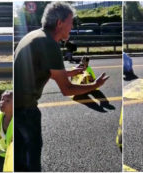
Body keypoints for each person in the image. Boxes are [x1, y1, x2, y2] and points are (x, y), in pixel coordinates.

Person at [14, 2, 109, 171]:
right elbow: (67, 90)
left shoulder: (35, 36)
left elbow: (44, 71)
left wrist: (72, 72)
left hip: (16, 106)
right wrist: (95, 85)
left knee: (20, 159)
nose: (72, 27)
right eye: (71, 22)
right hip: (26, 111)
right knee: (31, 160)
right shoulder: (50, 44)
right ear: (59, 23)